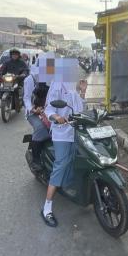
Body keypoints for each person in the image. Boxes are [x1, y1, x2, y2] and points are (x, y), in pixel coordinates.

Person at [40, 69, 86, 227]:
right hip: (62, 132)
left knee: (78, 159)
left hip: (76, 130)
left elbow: (80, 109)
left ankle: (70, 188)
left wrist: (83, 92)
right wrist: (56, 117)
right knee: (61, 164)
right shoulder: (57, 83)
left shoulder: (76, 84)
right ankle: (47, 207)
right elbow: (49, 109)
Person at [23, 59, 50, 171]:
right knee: (40, 127)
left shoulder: (54, 79)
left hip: (49, 110)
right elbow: (26, 98)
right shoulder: (31, 79)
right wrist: (33, 109)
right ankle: (36, 159)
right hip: (34, 112)